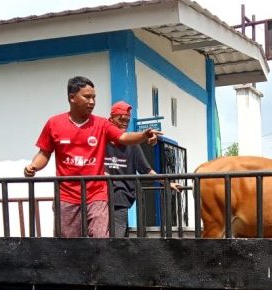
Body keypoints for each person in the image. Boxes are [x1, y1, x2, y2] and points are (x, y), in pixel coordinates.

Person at [23, 76, 161, 238]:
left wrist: (143, 135)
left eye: (94, 97)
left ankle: (99, 264)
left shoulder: (102, 124)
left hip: (97, 195)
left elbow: (123, 138)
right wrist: (33, 166)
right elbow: (44, 153)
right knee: (69, 246)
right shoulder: (54, 123)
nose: (92, 101)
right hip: (66, 196)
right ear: (72, 98)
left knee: (100, 241)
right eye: (87, 97)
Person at [105, 101, 181, 237]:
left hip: (120, 199)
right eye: (121, 119)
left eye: (127, 120)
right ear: (111, 119)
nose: (125, 122)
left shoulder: (132, 144)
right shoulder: (100, 140)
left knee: (117, 239)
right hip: (98, 198)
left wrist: (167, 183)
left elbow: (147, 170)